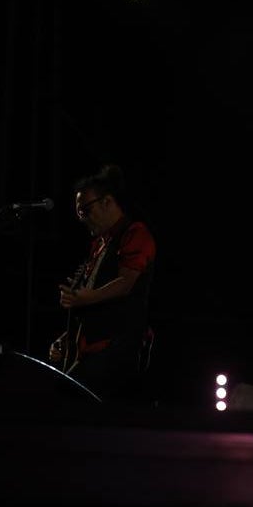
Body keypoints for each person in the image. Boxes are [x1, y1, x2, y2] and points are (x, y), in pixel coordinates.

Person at [48, 163, 156, 401]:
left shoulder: (134, 233)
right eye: (78, 213)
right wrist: (68, 338)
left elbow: (125, 282)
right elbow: (92, 305)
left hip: (117, 349)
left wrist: (86, 298)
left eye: (85, 210)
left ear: (107, 201)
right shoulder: (99, 245)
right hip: (91, 351)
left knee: (68, 398)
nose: (82, 219)